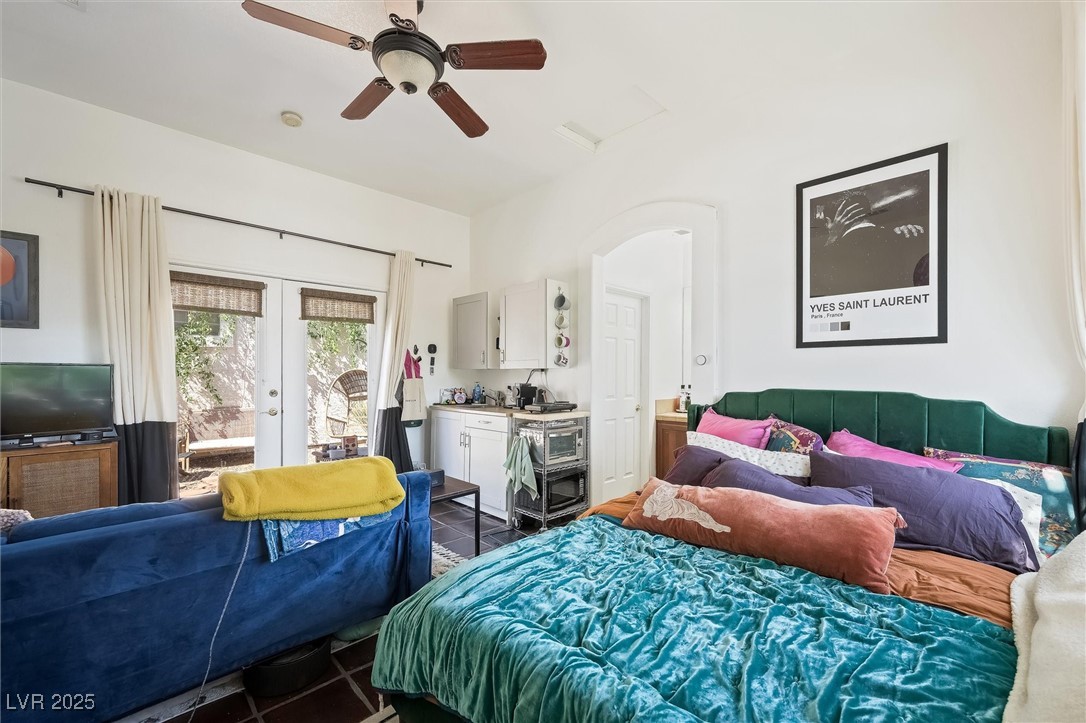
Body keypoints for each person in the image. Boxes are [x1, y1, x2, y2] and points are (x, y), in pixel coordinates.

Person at [810, 190, 928, 298]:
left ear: (829, 221)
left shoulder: (824, 258)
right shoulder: (907, 235)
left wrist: (832, 238)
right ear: (869, 211)